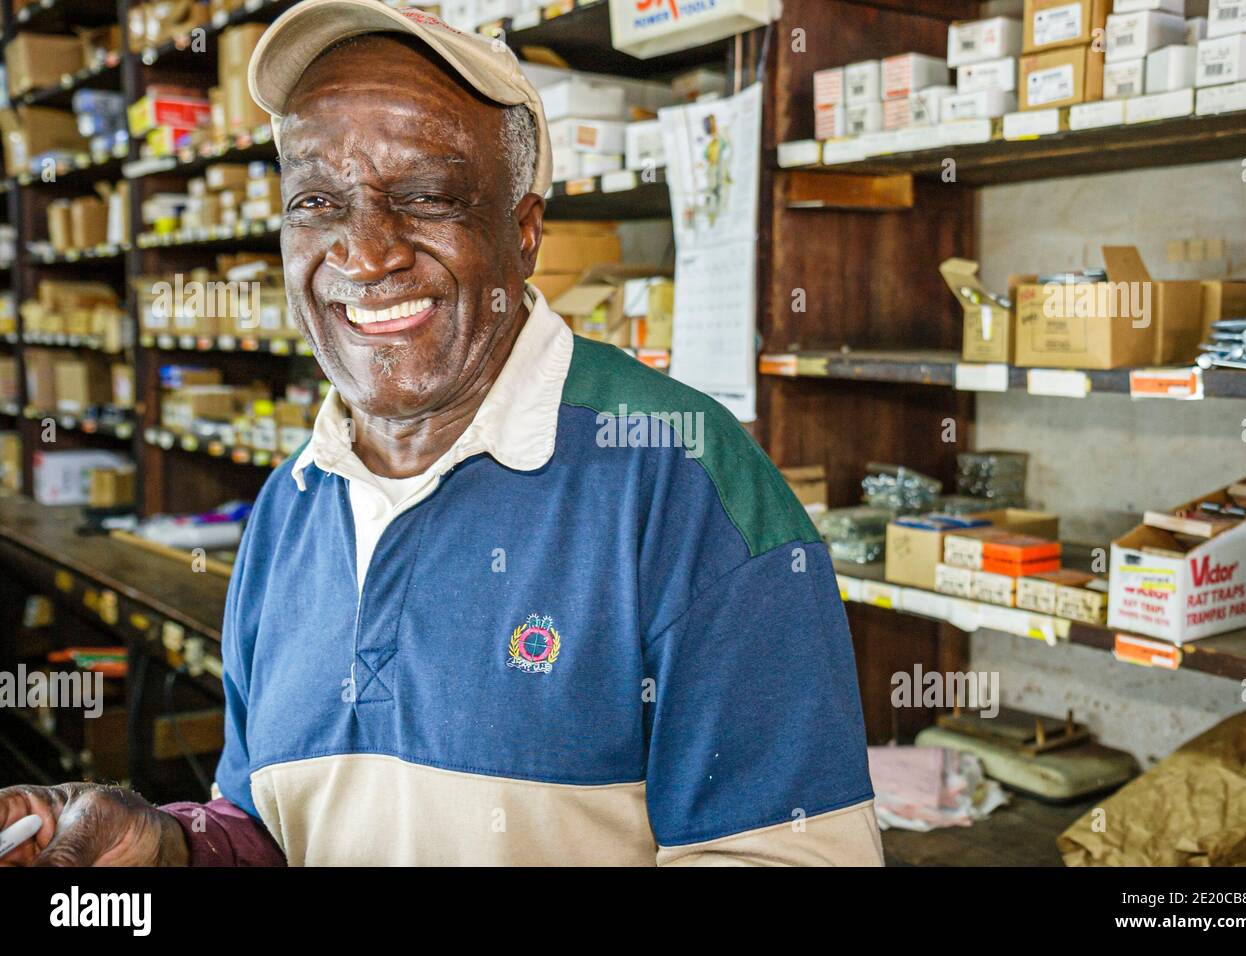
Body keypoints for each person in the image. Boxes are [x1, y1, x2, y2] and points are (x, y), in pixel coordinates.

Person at [0, 0, 881, 866]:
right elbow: (278, 822)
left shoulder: (681, 479)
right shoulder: (292, 506)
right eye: (316, 199)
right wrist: (176, 851)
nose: (364, 253)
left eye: (424, 196)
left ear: (525, 230)